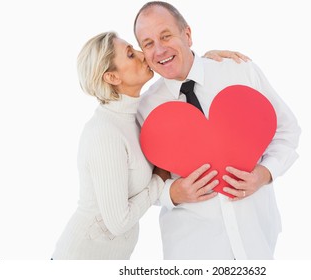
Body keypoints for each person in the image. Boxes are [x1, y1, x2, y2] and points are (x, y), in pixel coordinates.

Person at [51, 31, 249, 259]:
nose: (142, 54)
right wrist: (161, 180)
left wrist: (202, 62)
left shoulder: (134, 117)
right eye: (130, 54)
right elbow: (118, 222)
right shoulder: (104, 133)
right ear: (112, 78)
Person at [134, 1, 301, 260]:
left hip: (256, 238)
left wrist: (265, 173)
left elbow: (287, 130)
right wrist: (172, 193)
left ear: (187, 35)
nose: (159, 49)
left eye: (166, 35)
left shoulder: (238, 71)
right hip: (191, 249)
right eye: (148, 43)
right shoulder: (145, 109)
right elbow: (141, 185)